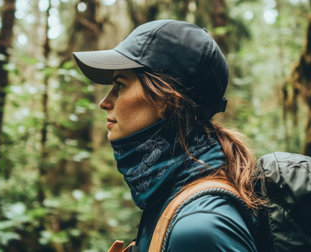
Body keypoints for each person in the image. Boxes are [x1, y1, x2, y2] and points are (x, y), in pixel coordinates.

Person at [73, 20, 261, 252]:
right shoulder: (168, 194)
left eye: (120, 85)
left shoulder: (200, 229)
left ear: (167, 101)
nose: (105, 102)